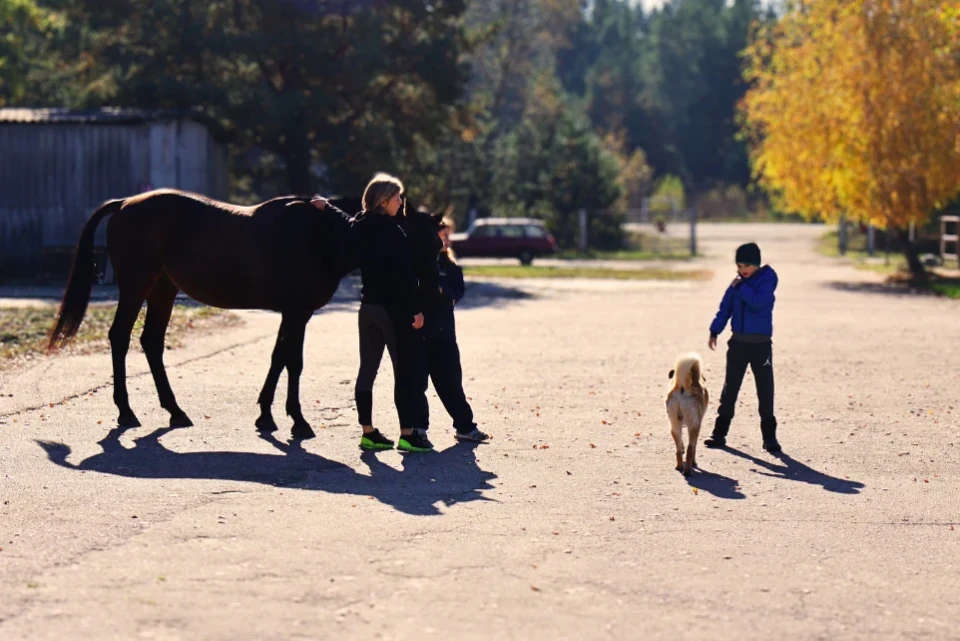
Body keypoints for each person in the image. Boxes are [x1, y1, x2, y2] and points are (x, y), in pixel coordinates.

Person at [312, 174, 434, 452]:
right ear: (383, 201)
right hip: (393, 311)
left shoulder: (360, 226)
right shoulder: (394, 232)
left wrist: (326, 207)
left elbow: (344, 221)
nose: (400, 202)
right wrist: (416, 309)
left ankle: (368, 432)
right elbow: (403, 276)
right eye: (396, 198)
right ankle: (407, 434)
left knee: (367, 371)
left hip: (367, 309)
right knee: (403, 372)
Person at [704, 242, 781, 453]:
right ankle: (719, 434)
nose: (742, 269)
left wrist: (740, 286)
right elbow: (725, 308)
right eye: (739, 265)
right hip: (738, 343)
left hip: (761, 345)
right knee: (730, 389)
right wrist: (715, 330)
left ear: (756, 263)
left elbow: (759, 302)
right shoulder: (736, 285)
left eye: (746, 265)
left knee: (765, 391)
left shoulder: (768, 279)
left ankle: (770, 438)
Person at [423, 218, 490, 443]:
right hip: (420, 334)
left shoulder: (451, 268)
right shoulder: (419, 264)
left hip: (444, 335)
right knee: (416, 385)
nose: (446, 240)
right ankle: (416, 430)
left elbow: (455, 294)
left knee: (452, 382)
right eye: (442, 235)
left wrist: (441, 291)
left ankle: (465, 426)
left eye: (448, 236)